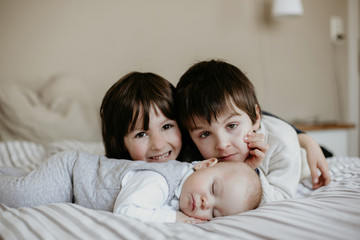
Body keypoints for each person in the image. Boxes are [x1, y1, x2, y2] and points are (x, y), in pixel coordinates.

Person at [100, 71, 330, 189]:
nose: (159, 144)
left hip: (292, 154)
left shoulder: (194, 145)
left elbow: (247, 114)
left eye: (168, 126)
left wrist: (305, 138)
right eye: (141, 134)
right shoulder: (194, 140)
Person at [175, 59, 330, 201]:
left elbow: (281, 198)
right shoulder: (192, 150)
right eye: (205, 134)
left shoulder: (281, 143)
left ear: (255, 117)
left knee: (324, 153)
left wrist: (250, 172)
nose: (222, 144)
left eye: (231, 126)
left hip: (299, 159)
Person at [0, 151, 262, 223]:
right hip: (71, 175)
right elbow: (126, 211)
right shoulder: (160, 180)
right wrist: (174, 218)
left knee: (26, 184)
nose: (206, 204)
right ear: (204, 164)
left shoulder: (187, 189)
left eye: (215, 213)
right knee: (19, 196)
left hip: (74, 182)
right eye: (213, 190)